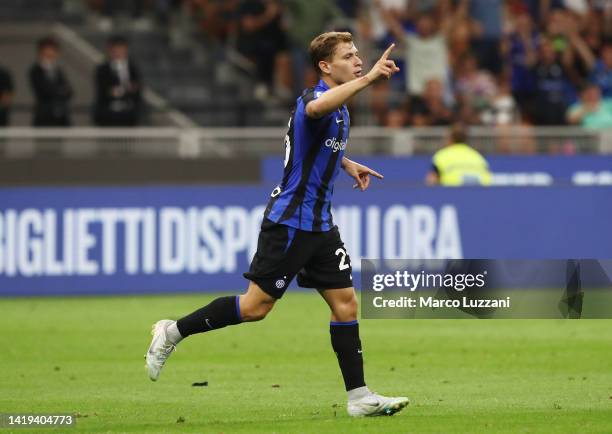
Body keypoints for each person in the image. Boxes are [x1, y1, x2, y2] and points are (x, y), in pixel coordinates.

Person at [145, 31, 410, 417]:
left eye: (358, 56)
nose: (357, 60)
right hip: (290, 222)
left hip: (320, 224)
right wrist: (368, 79)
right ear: (325, 66)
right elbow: (313, 114)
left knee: (346, 305)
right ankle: (172, 332)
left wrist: (347, 163)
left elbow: (312, 145)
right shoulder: (313, 98)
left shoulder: (341, 108)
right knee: (255, 308)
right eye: (348, 56)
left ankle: (359, 398)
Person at [93, 35, 142, 126]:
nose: (119, 52)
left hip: (129, 116)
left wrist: (120, 91)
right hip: (107, 116)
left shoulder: (133, 68)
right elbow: (105, 91)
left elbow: (137, 89)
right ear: (110, 50)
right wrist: (125, 89)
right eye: (116, 49)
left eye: (121, 49)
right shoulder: (102, 69)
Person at [426, 123, 491, 186]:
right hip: (480, 194)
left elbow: (431, 181)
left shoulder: (441, 156)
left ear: (450, 138)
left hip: (451, 194)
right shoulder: (478, 156)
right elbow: (489, 179)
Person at [29, 37, 73, 126]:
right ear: (40, 52)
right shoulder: (35, 70)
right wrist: (60, 90)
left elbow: (69, 92)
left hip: (61, 117)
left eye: (53, 50)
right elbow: (45, 91)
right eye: (47, 50)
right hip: (44, 117)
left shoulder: (58, 70)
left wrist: (60, 91)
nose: (50, 53)